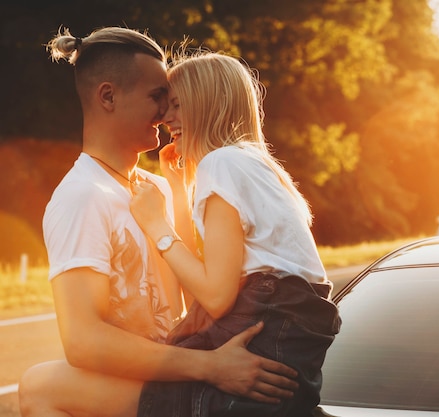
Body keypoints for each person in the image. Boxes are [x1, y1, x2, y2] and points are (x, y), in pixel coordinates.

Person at [18, 26, 298, 417]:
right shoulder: (81, 196)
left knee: (40, 386)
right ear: (108, 97)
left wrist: (179, 195)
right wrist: (211, 367)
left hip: (174, 372)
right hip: (162, 377)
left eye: (170, 100)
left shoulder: (157, 189)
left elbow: (201, 295)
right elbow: (81, 341)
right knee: (37, 387)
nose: (167, 113)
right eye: (157, 97)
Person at [128, 50, 341, 416]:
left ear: (208, 104)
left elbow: (215, 296)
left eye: (177, 105)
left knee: (121, 389)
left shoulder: (222, 163)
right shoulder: (254, 163)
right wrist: (178, 190)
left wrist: (154, 224)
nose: (166, 120)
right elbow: (204, 276)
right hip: (284, 342)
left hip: (265, 333)